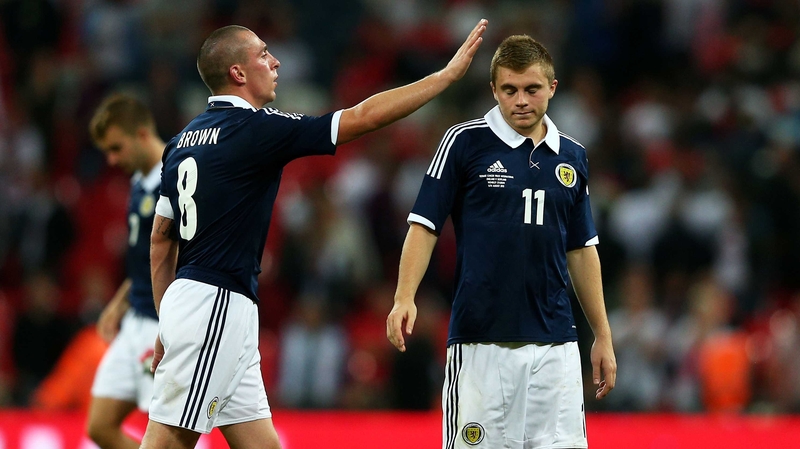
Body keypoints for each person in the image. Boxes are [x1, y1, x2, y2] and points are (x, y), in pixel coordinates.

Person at [143, 20, 488, 449]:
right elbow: (362, 117)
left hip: (195, 303)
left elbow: (161, 238)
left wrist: (169, 320)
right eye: (263, 54)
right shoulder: (256, 129)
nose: (275, 61)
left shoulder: (180, 142)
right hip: (216, 304)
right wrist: (443, 77)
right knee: (167, 442)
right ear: (238, 73)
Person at [386, 35, 617, 449]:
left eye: (531, 89)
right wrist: (405, 296)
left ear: (552, 88)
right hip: (481, 344)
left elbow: (582, 248)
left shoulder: (573, 156)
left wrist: (602, 333)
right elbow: (424, 225)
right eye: (509, 90)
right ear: (494, 90)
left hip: (557, 347)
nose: (521, 100)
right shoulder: (464, 142)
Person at [87, 93, 164, 449]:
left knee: (163, 436)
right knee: (99, 426)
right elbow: (141, 259)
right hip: (134, 316)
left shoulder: (176, 180)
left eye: (117, 148)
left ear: (143, 134)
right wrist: (119, 303)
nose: (111, 159)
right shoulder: (139, 182)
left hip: (159, 324)